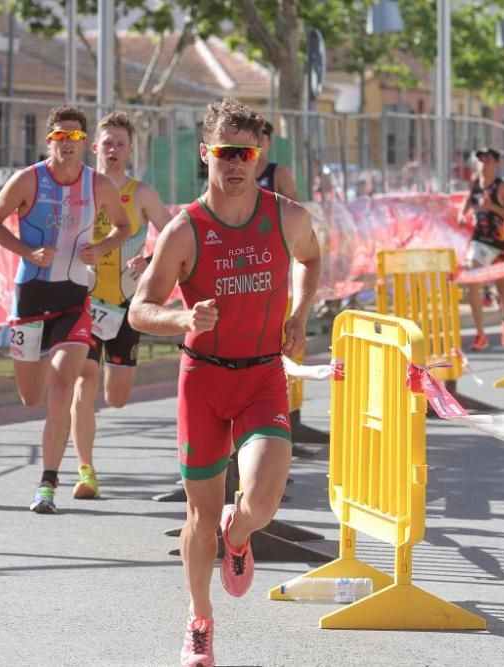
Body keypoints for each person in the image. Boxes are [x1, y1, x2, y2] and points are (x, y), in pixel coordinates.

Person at [129, 98, 321, 667]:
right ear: (205, 154)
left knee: (259, 502)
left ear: (258, 156)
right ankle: (199, 619)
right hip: (203, 382)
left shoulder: (287, 216)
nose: (235, 163)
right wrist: (183, 319)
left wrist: (300, 315)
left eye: (246, 152)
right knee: (200, 516)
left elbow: (311, 258)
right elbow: (140, 309)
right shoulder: (185, 229)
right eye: (224, 152)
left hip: (262, 376)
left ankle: (240, 536)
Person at [0, 105, 130, 514]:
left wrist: (99, 249)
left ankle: (47, 482)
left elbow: (124, 226)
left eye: (76, 137)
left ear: (84, 143)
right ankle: (47, 383)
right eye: (61, 137)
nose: (68, 144)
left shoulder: (97, 184)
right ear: (49, 140)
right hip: (30, 297)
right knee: (32, 396)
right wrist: (28, 250)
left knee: (63, 386)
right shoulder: (28, 180)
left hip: (73, 299)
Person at [67, 112, 172, 499]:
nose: (112, 150)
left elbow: (174, 233)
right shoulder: (79, 189)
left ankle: (121, 370)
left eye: (120, 144)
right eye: (106, 143)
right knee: (85, 381)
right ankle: (85, 470)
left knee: (117, 397)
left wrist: (150, 260)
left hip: (127, 303)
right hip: (84, 301)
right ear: (94, 147)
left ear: (130, 150)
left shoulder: (141, 193)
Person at [461, 146, 504, 351]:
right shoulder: (475, 184)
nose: (483, 165)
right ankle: (480, 334)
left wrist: (492, 207)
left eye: (487, 160)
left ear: (496, 164)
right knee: (472, 274)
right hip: (480, 242)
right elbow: (468, 200)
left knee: (502, 287)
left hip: (498, 243)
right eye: (480, 160)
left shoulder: (502, 187)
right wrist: (463, 215)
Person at [254, 119, 299, 200]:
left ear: (269, 143)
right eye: (253, 137)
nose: (256, 143)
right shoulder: (238, 174)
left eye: (260, 138)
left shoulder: (280, 173)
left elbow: (295, 210)